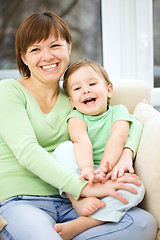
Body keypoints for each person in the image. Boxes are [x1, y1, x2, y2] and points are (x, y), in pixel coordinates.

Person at [0, 11, 157, 240]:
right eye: (35, 49)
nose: (47, 56)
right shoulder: (9, 91)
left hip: (71, 204)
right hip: (22, 200)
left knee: (143, 223)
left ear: (68, 47)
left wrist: (126, 153)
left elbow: (127, 121)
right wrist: (84, 188)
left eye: (55, 45)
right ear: (23, 57)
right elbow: (26, 150)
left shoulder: (76, 95)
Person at [52, 59, 145, 239]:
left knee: (137, 189)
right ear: (71, 101)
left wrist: (104, 168)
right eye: (77, 88)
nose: (86, 90)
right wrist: (87, 169)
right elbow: (81, 141)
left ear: (109, 90)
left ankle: (86, 222)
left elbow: (118, 138)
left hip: (110, 173)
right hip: (81, 174)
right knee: (62, 151)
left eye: (92, 84)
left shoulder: (119, 112)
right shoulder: (76, 117)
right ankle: (78, 201)